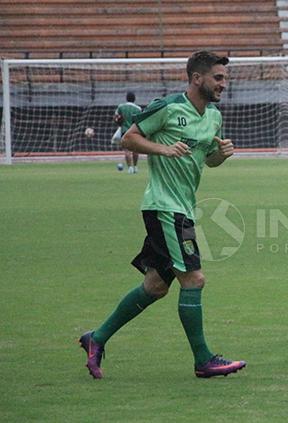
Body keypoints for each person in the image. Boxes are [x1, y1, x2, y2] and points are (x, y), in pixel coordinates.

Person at [79, 51, 246, 379]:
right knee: (194, 279)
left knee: (155, 286)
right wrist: (163, 148)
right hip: (164, 207)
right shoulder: (168, 107)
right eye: (218, 77)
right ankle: (203, 361)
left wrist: (221, 155)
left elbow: (207, 160)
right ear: (197, 78)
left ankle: (95, 339)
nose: (224, 84)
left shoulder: (213, 117)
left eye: (225, 78)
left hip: (182, 207)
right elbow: (129, 137)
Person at [113, 92, 142, 174]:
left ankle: (130, 168)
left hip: (124, 130)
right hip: (134, 131)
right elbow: (139, 121)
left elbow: (116, 117)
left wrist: (119, 122)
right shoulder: (138, 108)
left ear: (126, 98)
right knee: (135, 150)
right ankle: (135, 167)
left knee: (127, 150)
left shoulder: (121, 107)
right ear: (134, 99)